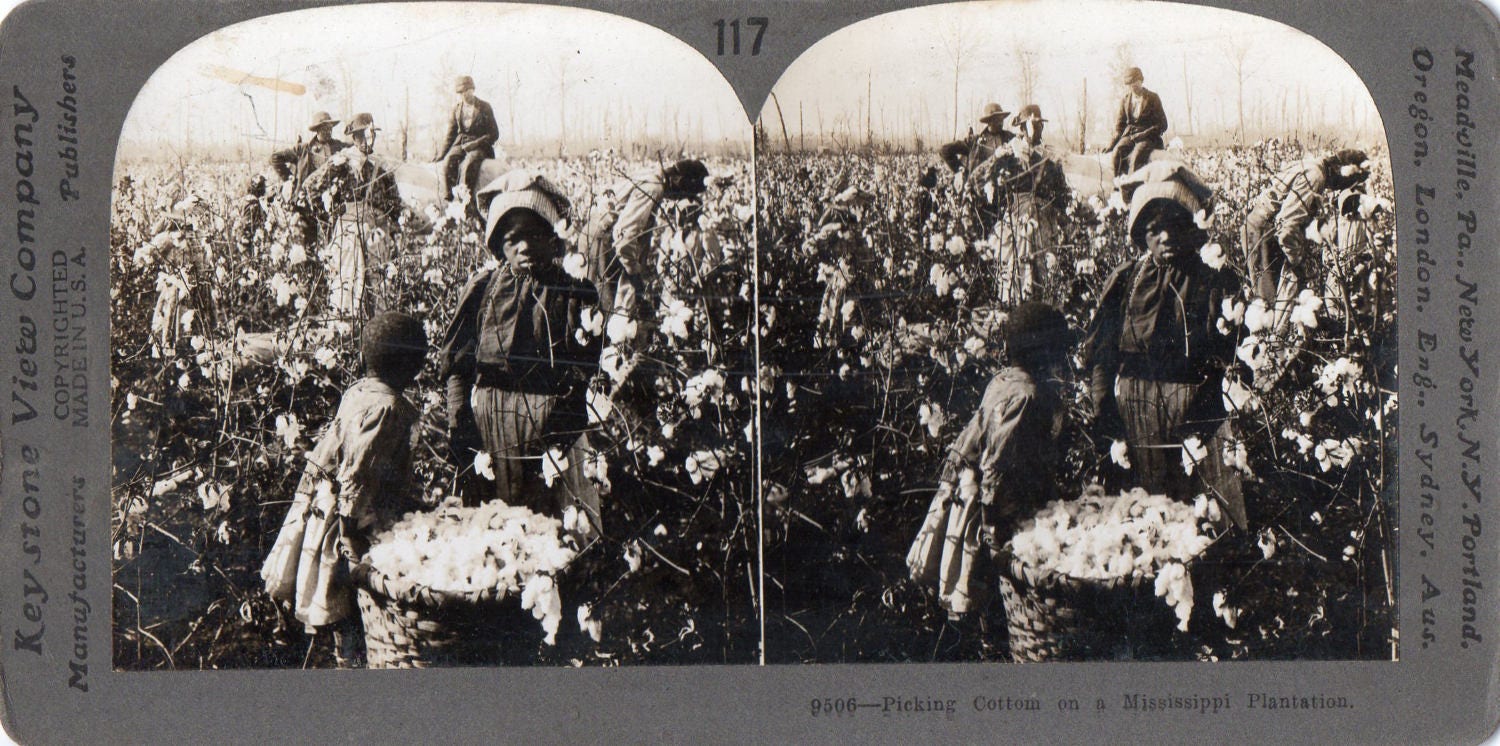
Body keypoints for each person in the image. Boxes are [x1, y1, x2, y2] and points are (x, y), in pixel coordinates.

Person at [440, 170, 603, 536]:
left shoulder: (574, 292)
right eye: (513, 240)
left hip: (550, 429)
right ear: (499, 246)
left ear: (553, 239)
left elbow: (584, 370)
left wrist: (562, 428)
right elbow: (458, 364)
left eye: (533, 236)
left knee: (552, 529)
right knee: (494, 528)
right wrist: (458, 420)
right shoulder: (482, 290)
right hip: (489, 429)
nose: (524, 247)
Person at [261, 312, 427, 667]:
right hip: (346, 520)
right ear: (411, 366)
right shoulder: (389, 409)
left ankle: (345, 659)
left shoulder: (358, 393)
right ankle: (352, 664)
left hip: (323, 504)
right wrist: (351, 533)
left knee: (339, 604)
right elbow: (359, 473)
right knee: (350, 599)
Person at [1081, 161, 1243, 522]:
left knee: (1202, 519)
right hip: (1135, 417)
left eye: (1174, 226)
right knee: (1145, 519)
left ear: (1191, 228)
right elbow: (1103, 356)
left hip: (1198, 415)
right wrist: (1105, 418)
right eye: (1154, 230)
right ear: (1141, 236)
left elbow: (1231, 360)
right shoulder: (1125, 281)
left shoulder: (1214, 281)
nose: (1165, 237)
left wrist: (1201, 424)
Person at [906, 301, 1072, 637]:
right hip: (992, 502)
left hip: (973, 489)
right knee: (991, 577)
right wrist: (993, 522)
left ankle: (985, 633)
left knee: (978, 579)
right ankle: (994, 639)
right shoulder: (1027, 396)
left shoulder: (1004, 380)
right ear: (1042, 352)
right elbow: (998, 462)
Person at [1242, 149, 1370, 329]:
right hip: (1263, 236)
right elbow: (1288, 227)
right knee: (1268, 308)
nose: (1336, 188)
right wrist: (1297, 261)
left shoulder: (1310, 164)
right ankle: (1271, 353)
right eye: (1344, 183)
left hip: (1260, 230)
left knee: (1275, 303)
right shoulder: (1315, 176)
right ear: (1340, 171)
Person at [305, 113, 407, 316]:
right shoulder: (341, 163)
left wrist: (395, 218)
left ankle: (379, 326)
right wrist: (329, 213)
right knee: (347, 280)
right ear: (354, 138)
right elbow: (311, 186)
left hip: (376, 233)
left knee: (378, 281)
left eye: (370, 136)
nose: (367, 141)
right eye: (362, 137)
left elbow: (395, 202)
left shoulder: (380, 167)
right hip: (349, 229)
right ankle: (347, 330)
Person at [585, 158, 711, 317]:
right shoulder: (654, 188)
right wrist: (634, 272)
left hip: (598, 236)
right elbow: (624, 237)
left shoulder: (650, 175)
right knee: (608, 312)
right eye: (682, 193)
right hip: (603, 241)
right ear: (678, 181)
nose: (675, 200)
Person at [993, 104, 1071, 303]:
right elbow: (997, 182)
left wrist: (1063, 212)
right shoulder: (1011, 152)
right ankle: (1017, 307)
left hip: (1044, 216)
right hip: (1020, 216)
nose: (1037, 129)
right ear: (1021, 127)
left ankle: (1045, 308)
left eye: (1039, 125)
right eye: (1032, 125)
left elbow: (1060, 189)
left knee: (1045, 263)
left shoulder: (1048, 154)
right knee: (1020, 262)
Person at [436, 75, 500, 212]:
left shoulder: (484, 107)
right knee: (448, 162)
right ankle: (449, 200)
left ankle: (466, 201)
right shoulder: (457, 109)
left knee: (469, 164)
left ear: (473, 89)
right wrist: (441, 155)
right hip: (462, 144)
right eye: (460, 93)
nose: (463, 95)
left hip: (481, 146)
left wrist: (476, 144)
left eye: (466, 91)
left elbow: (494, 134)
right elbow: (450, 135)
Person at [1106, 67, 1168, 178]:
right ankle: (1118, 185)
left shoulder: (1153, 98)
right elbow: (1120, 126)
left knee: (1136, 157)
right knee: (1117, 153)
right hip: (1130, 135)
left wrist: (1144, 134)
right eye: (1129, 84)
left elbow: (1163, 124)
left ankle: (1131, 186)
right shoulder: (1125, 100)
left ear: (1141, 80)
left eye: (1135, 82)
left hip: (1149, 137)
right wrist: (1111, 144)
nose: (1133, 86)